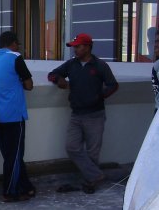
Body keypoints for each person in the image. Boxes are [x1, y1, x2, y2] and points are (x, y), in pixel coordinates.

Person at [48, 33, 119, 194]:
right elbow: (52, 74)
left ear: (87, 47)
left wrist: (99, 96)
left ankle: (90, 181)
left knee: (93, 151)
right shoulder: (71, 65)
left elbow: (113, 85)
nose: (75, 50)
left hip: (95, 114)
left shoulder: (100, 65)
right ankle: (97, 175)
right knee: (72, 147)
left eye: (78, 46)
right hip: (76, 113)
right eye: (74, 47)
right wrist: (58, 80)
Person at [0, 31, 35, 202]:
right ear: (13, 44)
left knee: (12, 156)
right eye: (18, 44)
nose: (19, 48)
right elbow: (29, 85)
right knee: (14, 157)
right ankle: (10, 192)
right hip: (14, 116)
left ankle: (27, 187)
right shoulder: (15, 57)